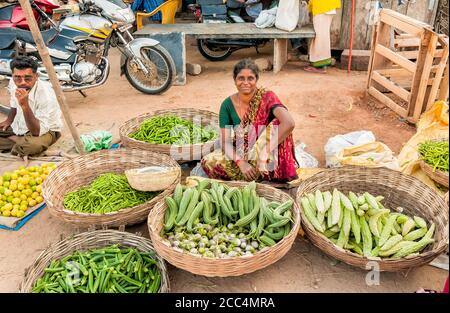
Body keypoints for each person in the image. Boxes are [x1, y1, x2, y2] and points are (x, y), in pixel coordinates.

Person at [201, 58, 298, 182]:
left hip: (266, 154)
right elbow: (225, 142)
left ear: (256, 80)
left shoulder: (267, 97)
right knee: (208, 162)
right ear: (235, 80)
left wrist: (264, 152)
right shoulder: (227, 105)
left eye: (250, 78)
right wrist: (241, 163)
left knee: (278, 123)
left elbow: (289, 123)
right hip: (242, 152)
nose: (245, 82)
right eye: (241, 78)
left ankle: (263, 173)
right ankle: (251, 174)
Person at [0, 56, 63, 161]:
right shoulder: (13, 82)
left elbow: (36, 132)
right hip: (19, 126)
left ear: (36, 76)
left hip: (45, 130)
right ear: (13, 75)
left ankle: (19, 142)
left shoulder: (46, 95)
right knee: (23, 143)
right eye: (17, 77)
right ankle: (19, 141)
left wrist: (25, 105)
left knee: (31, 146)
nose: (22, 82)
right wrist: (9, 120)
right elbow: (14, 104)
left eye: (28, 78)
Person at [303, 0, 341, 74]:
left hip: (323, 7)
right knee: (321, 35)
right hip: (325, 7)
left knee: (321, 36)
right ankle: (317, 63)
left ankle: (321, 66)